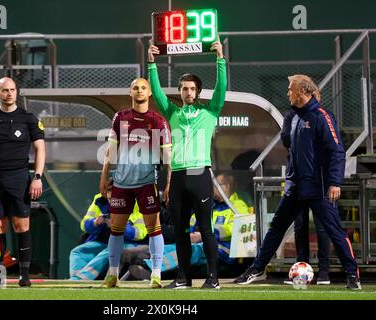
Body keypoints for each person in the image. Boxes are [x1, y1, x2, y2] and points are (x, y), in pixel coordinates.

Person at [234, 74, 361, 290]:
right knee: (276, 228)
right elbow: (289, 145)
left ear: (302, 92)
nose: (287, 93)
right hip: (296, 186)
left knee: (333, 230)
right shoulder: (293, 117)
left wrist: (334, 183)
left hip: (318, 187)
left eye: (290, 89)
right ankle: (256, 270)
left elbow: (337, 151)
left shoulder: (322, 116)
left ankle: (352, 276)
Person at [148, 39, 227, 289]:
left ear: (198, 91)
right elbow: (157, 93)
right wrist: (151, 63)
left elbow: (221, 88)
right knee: (180, 230)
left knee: (205, 228)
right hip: (179, 176)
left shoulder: (211, 111)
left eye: (192, 88)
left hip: (200, 173)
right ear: (180, 91)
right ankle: (183, 278)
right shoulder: (172, 112)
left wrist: (220, 59)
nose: (188, 92)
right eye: (184, 88)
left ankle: (213, 279)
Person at [100, 77, 172, 289]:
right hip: (121, 183)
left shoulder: (158, 121)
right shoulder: (120, 117)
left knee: (154, 229)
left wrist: (169, 184)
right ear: (130, 92)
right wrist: (103, 176)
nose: (139, 91)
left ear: (149, 93)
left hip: (147, 183)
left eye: (143, 88)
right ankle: (112, 275)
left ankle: (156, 275)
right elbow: (110, 151)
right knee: (116, 229)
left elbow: (168, 158)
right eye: (135, 88)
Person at [0, 77, 46, 287]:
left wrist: (38, 177)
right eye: (5, 90)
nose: (9, 93)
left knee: (21, 226)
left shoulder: (29, 119)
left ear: (17, 92)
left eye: (13, 89)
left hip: (20, 178)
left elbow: (40, 149)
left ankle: (24, 276)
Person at [280, 91, 332, 285]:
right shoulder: (291, 116)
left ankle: (324, 272)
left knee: (322, 226)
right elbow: (286, 139)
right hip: (298, 181)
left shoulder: (324, 116)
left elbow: (332, 144)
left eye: (317, 95)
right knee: (300, 226)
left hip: (319, 182)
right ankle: (301, 269)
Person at [69, 183, 147, 281]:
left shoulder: (138, 203)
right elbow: (83, 224)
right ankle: (75, 283)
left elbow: (140, 234)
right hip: (101, 243)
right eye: (109, 199)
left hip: (127, 245)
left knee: (112, 248)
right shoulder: (99, 199)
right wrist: (95, 222)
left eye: (114, 199)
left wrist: (119, 226)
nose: (111, 202)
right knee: (78, 252)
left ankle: (79, 280)